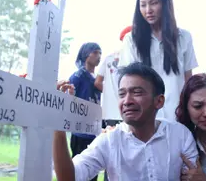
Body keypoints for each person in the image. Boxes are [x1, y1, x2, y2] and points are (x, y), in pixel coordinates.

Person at [53, 62, 198, 181]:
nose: (127, 101)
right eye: (122, 94)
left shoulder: (180, 135)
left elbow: (193, 177)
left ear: (159, 101)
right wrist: (59, 126)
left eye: (137, 92)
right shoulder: (109, 141)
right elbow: (68, 178)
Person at [118, 0, 198, 122]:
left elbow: (188, 80)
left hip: (177, 115)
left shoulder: (183, 37)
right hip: (145, 118)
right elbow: (128, 81)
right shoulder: (131, 39)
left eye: (154, 3)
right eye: (143, 5)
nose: (148, 10)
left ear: (165, 4)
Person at [68, 42, 102, 181]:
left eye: (100, 53)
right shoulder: (78, 76)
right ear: (86, 54)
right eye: (95, 52)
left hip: (94, 132)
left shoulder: (98, 79)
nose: (99, 56)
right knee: (78, 172)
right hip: (80, 132)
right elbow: (70, 100)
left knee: (93, 172)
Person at [95, 26, 131, 127]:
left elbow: (97, 82)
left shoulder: (109, 58)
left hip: (109, 112)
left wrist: (109, 92)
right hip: (129, 111)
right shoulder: (136, 59)